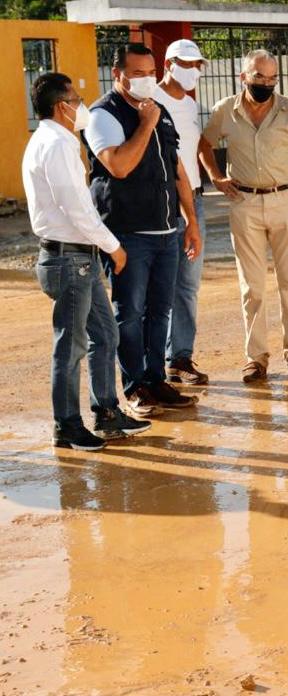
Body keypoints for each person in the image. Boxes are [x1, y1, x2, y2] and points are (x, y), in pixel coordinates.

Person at [22, 72, 151, 450]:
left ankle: (107, 412)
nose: (82, 106)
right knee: (72, 344)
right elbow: (77, 209)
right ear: (62, 107)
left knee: (104, 334)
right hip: (69, 259)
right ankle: (67, 424)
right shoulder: (56, 144)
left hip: (78, 258)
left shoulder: (53, 140)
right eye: (76, 100)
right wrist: (113, 246)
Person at [84, 43, 203, 417]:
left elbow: (178, 170)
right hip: (128, 235)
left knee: (159, 312)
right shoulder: (103, 115)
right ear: (117, 74)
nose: (146, 79)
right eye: (137, 73)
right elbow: (118, 166)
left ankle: (155, 380)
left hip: (167, 232)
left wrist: (191, 223)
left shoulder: (160, 110)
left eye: (150, 72)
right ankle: (134, 386)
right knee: (129, 313)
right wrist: (146, 124)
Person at [199, 49, 288, 383]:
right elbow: (204, 144)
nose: (265, 83)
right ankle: (256, 359)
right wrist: (216, 177)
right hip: (244, 203)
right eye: (259, 76)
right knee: (252, 287)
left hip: (287, 201)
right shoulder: (225, 110)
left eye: (271, 78)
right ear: (243, 77)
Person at [155, 38, 211, 385]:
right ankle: (154, 363)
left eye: (195, 65)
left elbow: (198, 145)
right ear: (168, 64)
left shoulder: (190, 105)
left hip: (194, 198)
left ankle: (181, 358)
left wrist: (217, 175)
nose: (191, 70)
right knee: (159, 285)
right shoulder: (150, 102)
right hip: (161, 202)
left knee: (188, 284)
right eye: (184, 64)